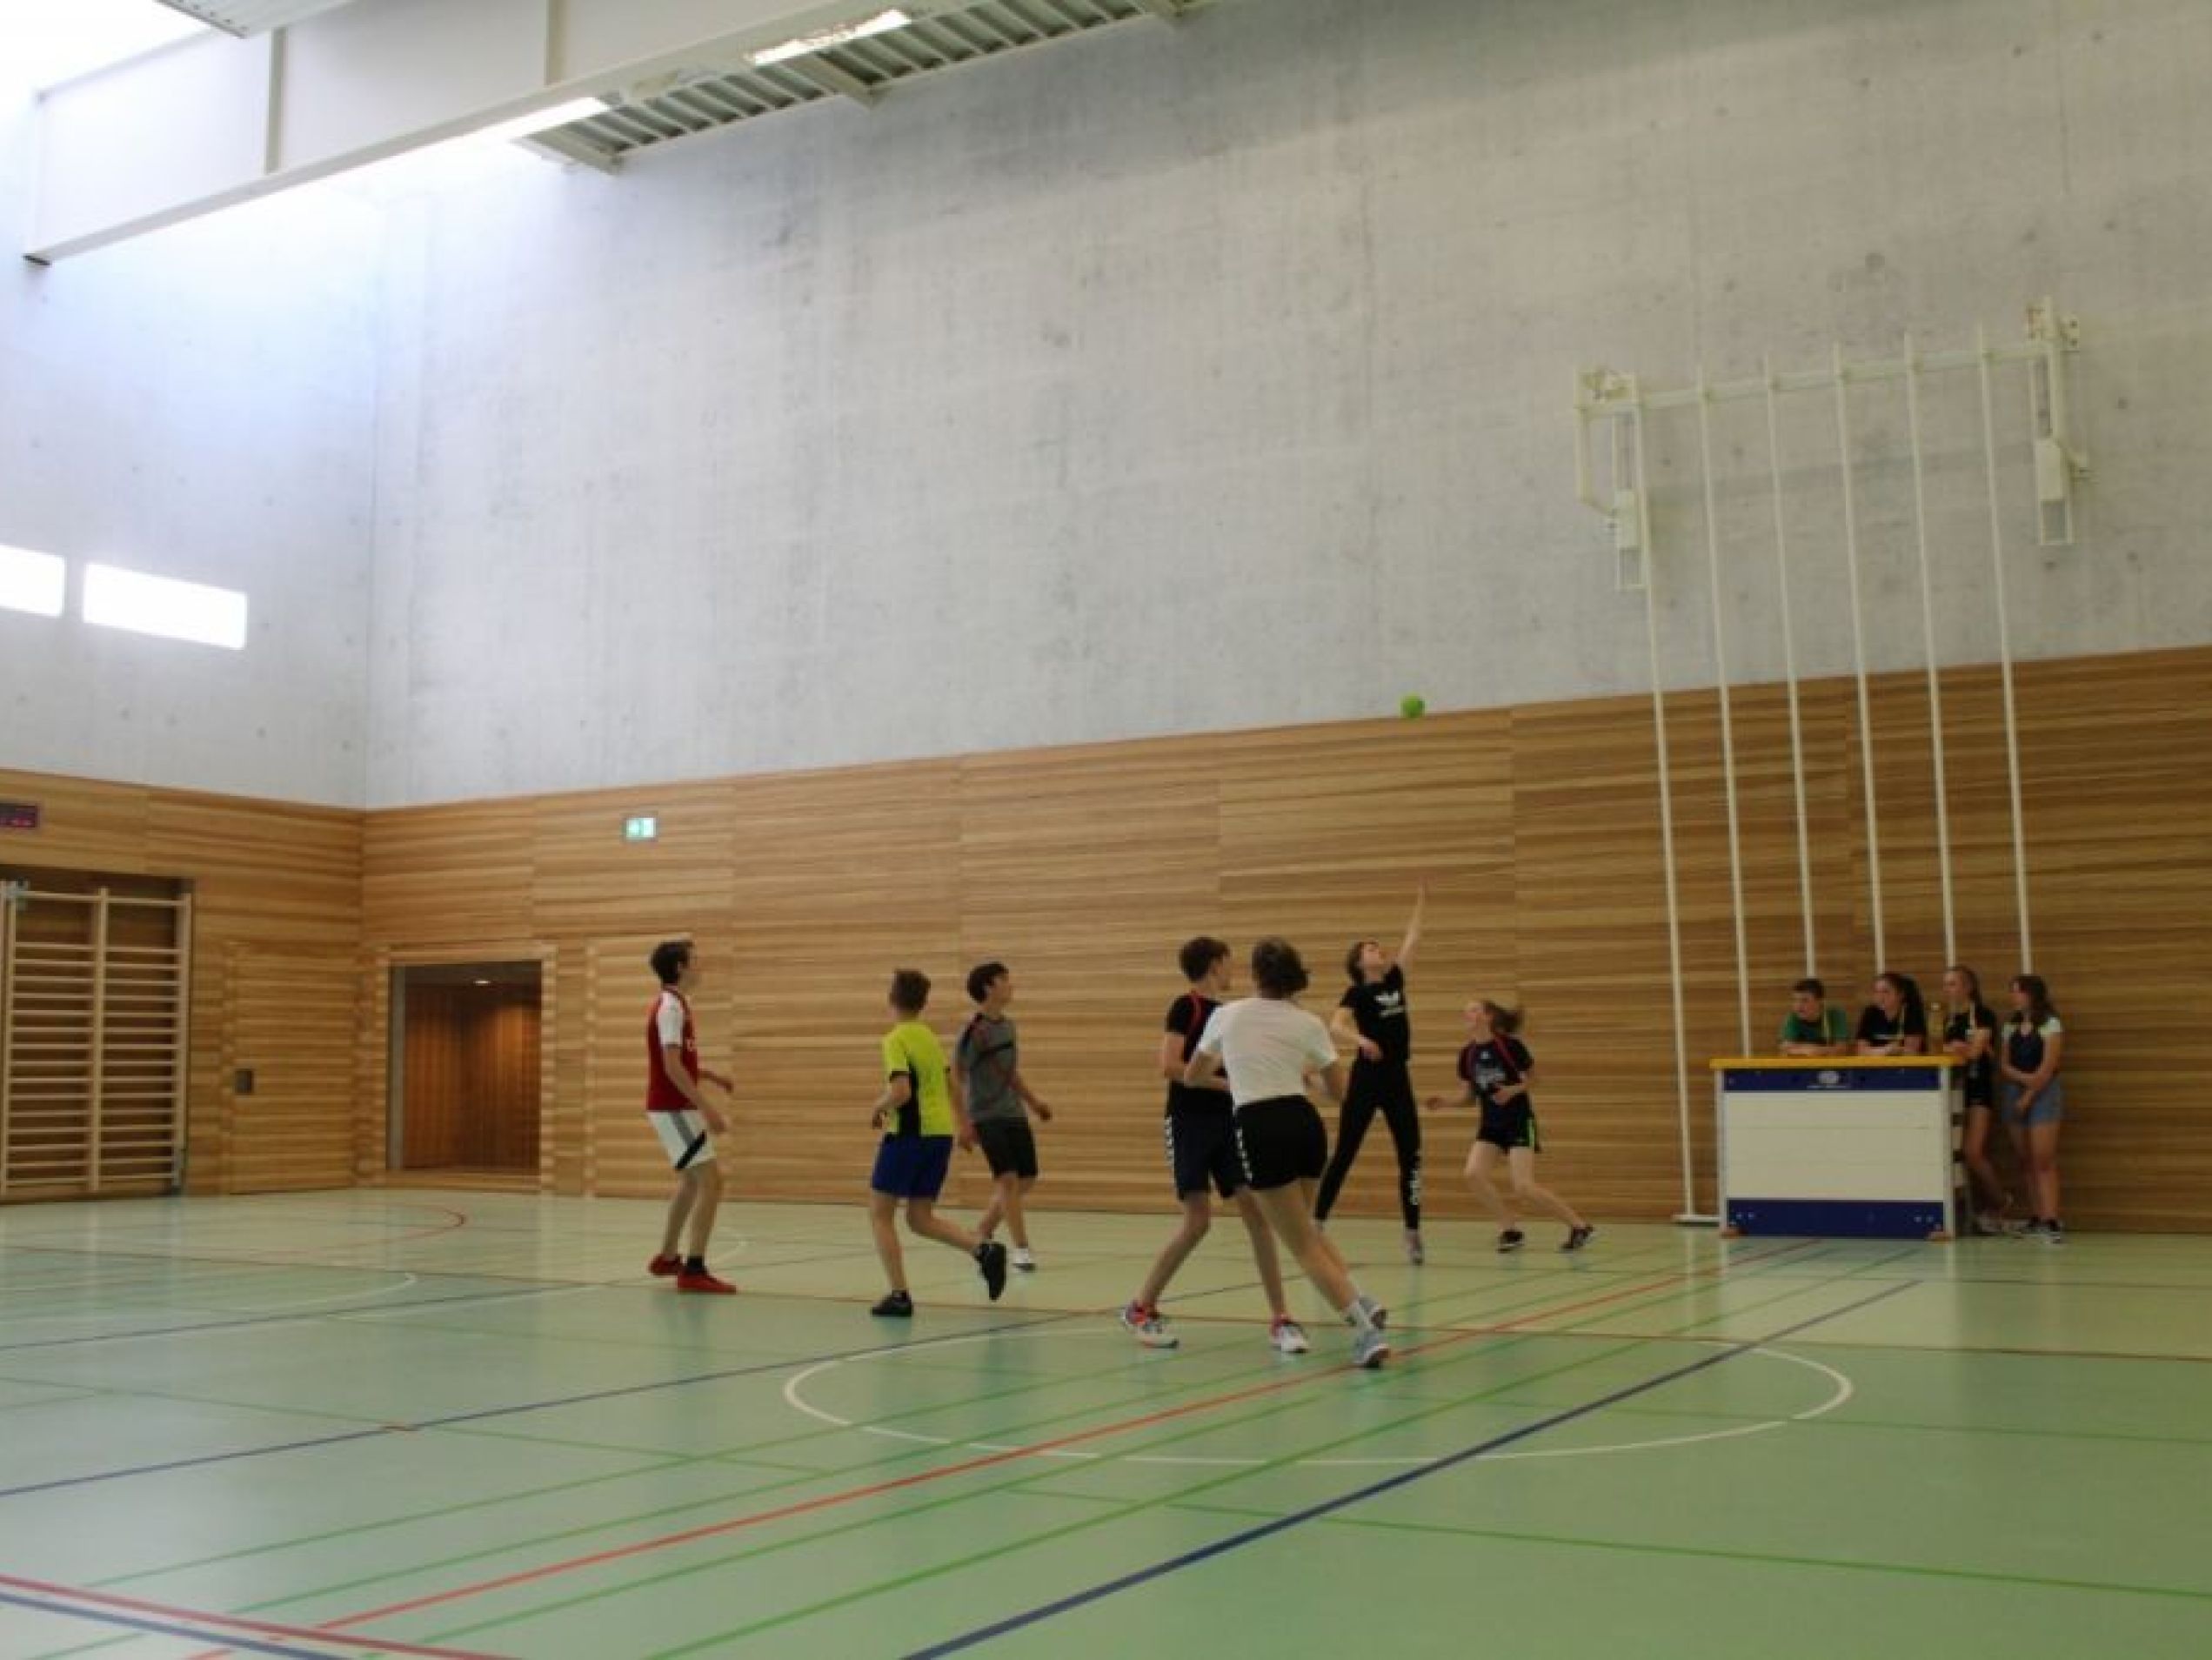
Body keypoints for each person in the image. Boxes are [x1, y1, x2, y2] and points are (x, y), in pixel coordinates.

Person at [1186, 937, 1391, 1369]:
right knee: (1307, 1229)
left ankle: (1364, 1331)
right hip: (1304, 1124)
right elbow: (1339, 1093)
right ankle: (1363, 1300)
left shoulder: (1227, 1015)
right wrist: (1301, 1073)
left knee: (1300, 1245)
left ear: (1256, 974)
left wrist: (1236, 1075)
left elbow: (1192, 1075)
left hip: (1261, 1126)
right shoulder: (1308, 1022)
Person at [1119, 936, 1306, 1355]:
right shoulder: (1186, 1007)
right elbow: (1169, 1065)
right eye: (1228, 961)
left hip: (1228, 1123)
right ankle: (1140, 1307)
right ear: (1213, 964)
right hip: (1189, 1123)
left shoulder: (1228, 1013)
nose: (1232, 969)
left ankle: (1281, 1318)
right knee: (1198, 1222)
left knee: (1256, 1214)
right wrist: (1227, 1083)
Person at [865, 968, 1009, 1315]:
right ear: (923, 1002)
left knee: (880, 1214)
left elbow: (901, 1091)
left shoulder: (896, 1039)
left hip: (909, 1135)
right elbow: (952, 1085)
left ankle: (899, 1295)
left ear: (891, 999)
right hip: (939, 1136)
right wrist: (963, 1123)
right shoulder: (928, 1038)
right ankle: (983, 1249)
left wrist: (878, 1106)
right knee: (919, 1217)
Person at [1314, 881, 1429, 1263]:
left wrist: (1421, 898)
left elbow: (1413, 938)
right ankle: (1317, 1223)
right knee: (1345, 1152)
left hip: (1398, 1079)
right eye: (1369, 949)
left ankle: (1412, 1232)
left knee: (1410, 1154)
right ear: (1359, 964)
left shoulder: (1395, 980)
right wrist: (1361, 1040)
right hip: (1367, 1079)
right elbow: (1336, 1025)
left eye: (1378, 947)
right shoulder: (1356, 993)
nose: (1377, 950)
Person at [1425, 999, 1594, 1253]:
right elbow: (1469, 1098)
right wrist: (1445, 1102)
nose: (1467, 1014)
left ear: (1488, 1017)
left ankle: (1579, 1226)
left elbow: (1534, 1079)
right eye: (1465, 1011)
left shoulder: (1509, 1046)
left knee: (1524, 1186)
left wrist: (1512, 1091)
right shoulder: (1467, 1055)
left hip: (1518, 1120)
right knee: (1473, 1174)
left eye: (1474, 1010)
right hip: (1490, 1125)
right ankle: (1510, 1230)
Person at [643, 940, 738, 1294]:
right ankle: (694, 1269)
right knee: (712, 1181)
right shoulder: (670, 1008)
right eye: (695, 960)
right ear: (680, 968)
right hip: (673, 1108)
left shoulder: (677, 1004)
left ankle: (668, 1258)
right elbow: (671, 1067)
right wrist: (707, 1107)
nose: (701, 965)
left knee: (691, 1182)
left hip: (672, 1107)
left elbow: (678, 1062)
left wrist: (711, 1076)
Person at [956, 961, 1054, 1272]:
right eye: (1004, 980)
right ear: (988, 987)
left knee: (1027, 1178)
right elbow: (955, 1076)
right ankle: (1021, 1249)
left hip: (1012, 1112)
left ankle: (983, 1230)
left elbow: (1010, 1073)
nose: (1011, 985)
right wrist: (964, 1123)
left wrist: (1034, 1102)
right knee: (1008, 1180)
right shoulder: (973, 1032)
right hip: (985, 1116)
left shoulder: (1008, 1026)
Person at [1999, 974, 2067, 1245]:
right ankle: (2037, 1215)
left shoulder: (2050, 1024)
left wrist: (2029, 1093)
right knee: (2025, 1159)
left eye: (2019, 992)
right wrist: (2024, 1080)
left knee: (2043, 1159)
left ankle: (2051, 1219)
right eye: (2012, 991)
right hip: (2015, 1090)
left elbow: (2048, 1067)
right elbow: (2004, 1065)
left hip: (2044, 1092)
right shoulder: (2011, 1026)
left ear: (2033, 994)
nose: (2013, 997)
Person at [1942, 964, 2007, 1233]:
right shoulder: (1946, 1019)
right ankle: (1970, 1212)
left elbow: (1975, 1052)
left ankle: (2000, 1202)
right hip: (1951, 1091)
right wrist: (1954, 1048)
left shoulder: (1983, 1015)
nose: (1948, 989)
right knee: (1953, 1154)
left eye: (1953, 984)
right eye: (1946, 984)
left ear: (1968, 987)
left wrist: (1962, 1048)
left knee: (1973, 1152)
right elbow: (1936, 1048)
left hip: (1978, 1089)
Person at [1856, 971, 1928, 1054]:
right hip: (1878, 1062)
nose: (1880, 997)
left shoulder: (1912, 1013)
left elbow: (1911, 1051)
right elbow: (1861, 1050)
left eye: (1886, 992)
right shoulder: (1870, 1013)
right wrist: (1886, 1050)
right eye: (1876, 992)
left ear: (1901, 994)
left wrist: (1892, 1051)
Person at [1778, 977, 1853, 1056]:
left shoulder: (1835, 1015)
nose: (1798, 1006)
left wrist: (1813, 1050)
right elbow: (1785, 1048)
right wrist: (1817, 1050)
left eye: (1804, 1000)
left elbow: (1841, 1050)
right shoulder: (1793, 1017)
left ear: (1820, 1001)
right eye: (1795, 1000)